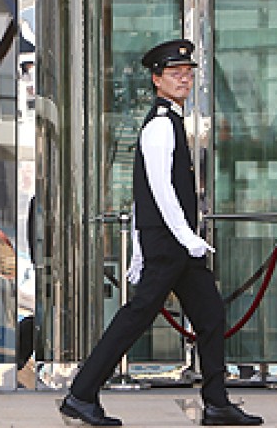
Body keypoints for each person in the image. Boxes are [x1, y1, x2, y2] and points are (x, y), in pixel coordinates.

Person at [59, 39, 263, 427]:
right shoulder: (159, 126)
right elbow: (159, 191)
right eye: (174, 74)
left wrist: (155, 243)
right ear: (157, 80)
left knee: (210, 314)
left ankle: (216, 402)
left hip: (173, 242)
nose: (183, 79)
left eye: (187, 73)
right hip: (171, 243)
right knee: (137, 317)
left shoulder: (171, 122)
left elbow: (149, 197)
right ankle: (81, 393)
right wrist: (187, 238)